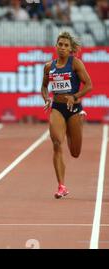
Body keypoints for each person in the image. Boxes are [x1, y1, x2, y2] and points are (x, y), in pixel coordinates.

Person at [41, 31, 92, 199]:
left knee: (75, 152)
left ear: (70, 49)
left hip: (74, 109)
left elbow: (89, 85)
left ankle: (74, 127)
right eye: (60, 44)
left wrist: (75, 96)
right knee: (56, 141)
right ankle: (61, 186)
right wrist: (46, 98)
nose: (62, 48)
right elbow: (44, 86)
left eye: (65, 45)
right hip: (57, 107)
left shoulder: (75, 63)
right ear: (56, 46)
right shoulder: (49, 66)